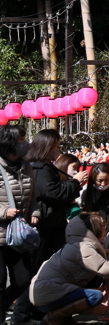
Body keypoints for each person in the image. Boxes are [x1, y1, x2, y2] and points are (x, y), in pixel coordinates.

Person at [12, 130, 90, 324]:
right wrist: (75, 183)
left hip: (47, 226)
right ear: (47, 147)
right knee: (36, 274)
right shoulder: (41, 169)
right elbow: (52, 193)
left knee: (40, 273)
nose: (59, 150)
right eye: (56, 146)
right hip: (44, 228)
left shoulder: (36, 167)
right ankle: (22, 316)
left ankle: (34, 313)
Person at [29, 211, 109, 325]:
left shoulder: (78, 243)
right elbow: (106, 269)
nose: (105, 228)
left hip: (44, 293)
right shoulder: (83, 247)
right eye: (103, 225)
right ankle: (54, 317)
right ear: (95, 229)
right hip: (47, 295)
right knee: (95, 296)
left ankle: (61, 317)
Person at [0, 124, 39, 314]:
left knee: (23, 280)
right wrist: (3, 212)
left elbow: (32, 195)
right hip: (0, 233)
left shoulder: (26, 166)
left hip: (19, 234)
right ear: (9, 143)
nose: (25, 144)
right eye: (21, 140)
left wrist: (35, 212)